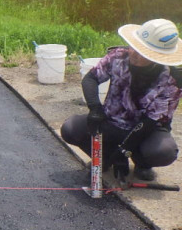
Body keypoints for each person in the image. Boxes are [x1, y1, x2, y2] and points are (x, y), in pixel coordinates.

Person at [61, 19, 182, 183]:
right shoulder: (118, 57)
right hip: (111, 122)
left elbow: (151, 121)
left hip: (147, 130)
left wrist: (125, 151)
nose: (134, 54)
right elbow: (90, 78)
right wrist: (95, 108)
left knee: (164, 151)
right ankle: (104, 159)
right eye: (134, 47)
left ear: (158, 58)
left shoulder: (173, 79)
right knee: (70, 128)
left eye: (143, 52)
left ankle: (142, 164)